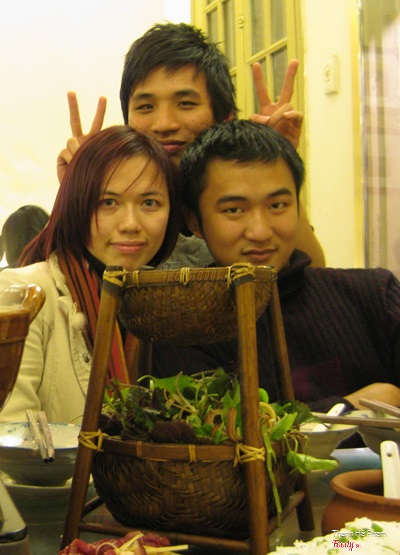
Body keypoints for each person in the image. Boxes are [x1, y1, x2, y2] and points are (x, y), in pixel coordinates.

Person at [150, 120, 400, 412]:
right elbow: (214, 433)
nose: (260, 231)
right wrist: (352, 406)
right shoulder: (180, 331)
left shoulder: (375, 295)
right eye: (234, 210)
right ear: (195, 222)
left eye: (277, 206)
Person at [57, 22, 325, 268]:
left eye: (185, 103)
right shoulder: (116, 198)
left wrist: (276, 165)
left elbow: (312, 277)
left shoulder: (234, 194)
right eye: (146, 106)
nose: (164, 124)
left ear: (225, 116)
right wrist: (80, 187)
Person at [0, 125, 180, 423]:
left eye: (149, 203)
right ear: (77, 206)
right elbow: (10, 434)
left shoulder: (158, 304)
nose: (130, 224)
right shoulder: (24, 294)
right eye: (108, 202)